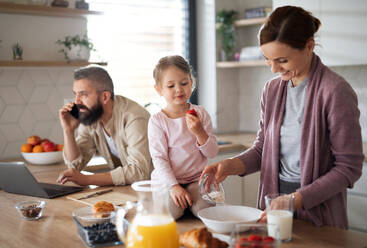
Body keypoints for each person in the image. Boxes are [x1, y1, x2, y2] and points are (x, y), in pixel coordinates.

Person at [201, 6, 364, 229]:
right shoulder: (272, 90)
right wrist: (230, 165)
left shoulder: (335, 91)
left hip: (317, 211)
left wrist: (295, 200)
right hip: (273, 204)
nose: (274, 69)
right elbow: (262, 149)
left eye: (282, 60)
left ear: (309, 46)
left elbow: (349, 167)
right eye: (268, 60)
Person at [148, 55, 219, 219]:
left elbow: (212, 152)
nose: (179, 89)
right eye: (171, 86)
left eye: (184, 83)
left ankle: (191, 202)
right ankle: (182, 202)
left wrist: (200, 132)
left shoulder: (200, 114)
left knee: (206, 211)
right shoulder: (157, 121)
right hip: (168, 181)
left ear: (191, 83)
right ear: (159, 89)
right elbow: (159, 159)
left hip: (196, 179)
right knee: (172, 212)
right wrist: (173, 186)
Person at [57, 66, 153, 186]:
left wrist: (87, 180)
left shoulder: (134, 118)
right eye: (75, 94)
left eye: (83, 94)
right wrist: (68, 131)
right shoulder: (92, 116)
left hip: (155, 191)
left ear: (105, 97)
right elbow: (75, 166)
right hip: (129, 190)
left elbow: (139, 172)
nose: (77, 102)